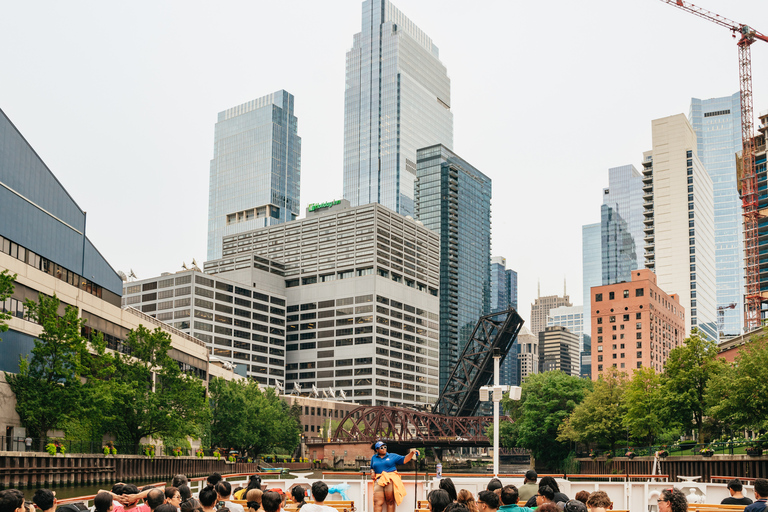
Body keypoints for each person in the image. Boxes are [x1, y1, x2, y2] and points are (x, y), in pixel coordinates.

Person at [369, 441, 419, 512]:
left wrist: (412, 453)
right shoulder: (374, 458)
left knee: (390, 501)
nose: (384, 449)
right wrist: (372, 472)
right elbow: (371, 467)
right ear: (377, 450)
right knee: (377, 502)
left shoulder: (392, 456)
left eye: (385, 447)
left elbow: (404, 460)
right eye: (381, 447)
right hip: (379, 480)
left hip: (390, 480)